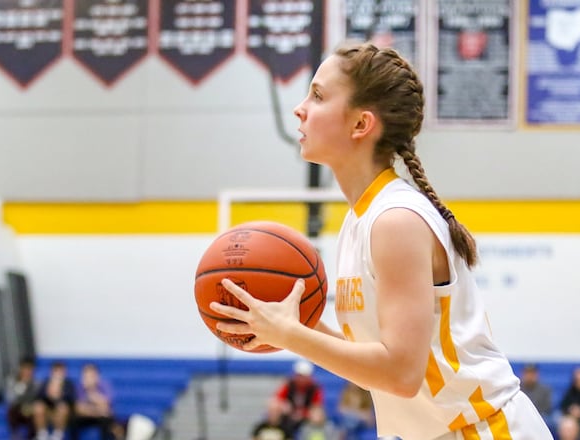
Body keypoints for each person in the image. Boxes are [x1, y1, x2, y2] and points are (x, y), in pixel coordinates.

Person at [209, 41, 553, 439]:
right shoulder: (360, 220)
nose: (299, 109)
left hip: (486, 430)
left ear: (361, 124)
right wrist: (300, 326)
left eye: (318, 96)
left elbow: (401, 373)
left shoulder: (395, 220)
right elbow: (378, 365)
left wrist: (292, 335)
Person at [70, 363, 121, 440]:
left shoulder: (105, 386)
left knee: (107, 421)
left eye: (91, 376)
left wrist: (91, 393)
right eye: (86, 375)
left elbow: (107, 406)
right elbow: (79, 409)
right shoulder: (78, 387)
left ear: (97, 376)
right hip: (87, 417)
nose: (89, 379)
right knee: (72, 420)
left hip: (102, 418)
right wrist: (98, 411)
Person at [274, 359, 324, 435]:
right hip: (288, 415)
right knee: (274, 407)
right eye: (299, 376)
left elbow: (316, 406)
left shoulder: (315, 388)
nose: (301, 379)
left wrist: (303, 413)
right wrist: (284, 405)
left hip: (306, 416)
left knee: (316, 414)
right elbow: (278, 399)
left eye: (304, 376)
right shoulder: (288, 385)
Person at [32, 361, 76, 440]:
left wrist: (59, 395)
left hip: (63, 414)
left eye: (61, 371)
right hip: (47, 411)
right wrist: (48, 394)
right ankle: (42, 434)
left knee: (63, 407)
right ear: (51, 372)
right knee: (38, 407)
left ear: (65, 372)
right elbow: (37, 397)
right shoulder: (46, 382)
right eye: (56, 371)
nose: (58, 374)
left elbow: (71, 400)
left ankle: (57, 435)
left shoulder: (68, 383)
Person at [5, 356, 40, 439]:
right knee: (11, 410)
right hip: (17, 409)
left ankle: (33, 436)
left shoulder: (37, 383)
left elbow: (38, 399)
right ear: (20, 369)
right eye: (25, 368)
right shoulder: (11, 381)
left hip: (30, 409)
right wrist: (22, 386)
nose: (27, 372)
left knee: (36, 411)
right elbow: (10, 399)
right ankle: (15, 434)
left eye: (30, 369)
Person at [519, 364, 555, 433]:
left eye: (532, 373)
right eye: (527, 373)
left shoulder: (545, 389)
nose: (529, 376)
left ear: (537, 374)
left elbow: (548, 407)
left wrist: (534, 415)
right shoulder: (517, 389)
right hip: (522, 416)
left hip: (540, 416)